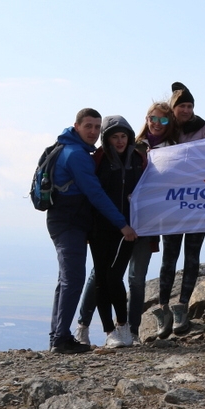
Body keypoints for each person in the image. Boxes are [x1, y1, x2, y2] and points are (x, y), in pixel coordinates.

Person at [45, 108, 135, 354]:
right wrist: (122, 223)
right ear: (77, 126)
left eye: (97, 127)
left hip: (66, 220)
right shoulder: (77, 155)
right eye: (89, 126)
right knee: (73, 280)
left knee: (66, 280)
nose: (93, 132)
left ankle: (58, 336)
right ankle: (61, 339)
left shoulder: (70, 149)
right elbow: (96, 194)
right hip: (69, 222)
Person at [157, 82, 205, 338]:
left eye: (190, 105)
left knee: (192, 255)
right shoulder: (164, 129)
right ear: (173, 107)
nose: (186, 110)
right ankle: (163, 310)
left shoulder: (204, 129)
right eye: (182, 105)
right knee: (169, 256)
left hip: (197, 202)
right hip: (172, 205)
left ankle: (182, 306)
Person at [87, 115, 146, 348]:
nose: (120, 141)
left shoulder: (138, 159)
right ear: (107, 139)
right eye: (115, 137)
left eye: (123, 136)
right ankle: (110, 332)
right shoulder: (99, 159)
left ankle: (123, 325)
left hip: (128, 229)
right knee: (101, 278)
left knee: (114, 277)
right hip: (100, 228)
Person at [126, 102, 181, 342]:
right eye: (153, 118)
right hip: (123, 217)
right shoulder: (130, 145)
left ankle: (131, 330)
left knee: (137, 277)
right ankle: (86, 325)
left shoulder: (176, 148)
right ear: (146, 118)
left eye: (164, 120)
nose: (157, 123)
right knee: (103, 274)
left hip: (149, 222)